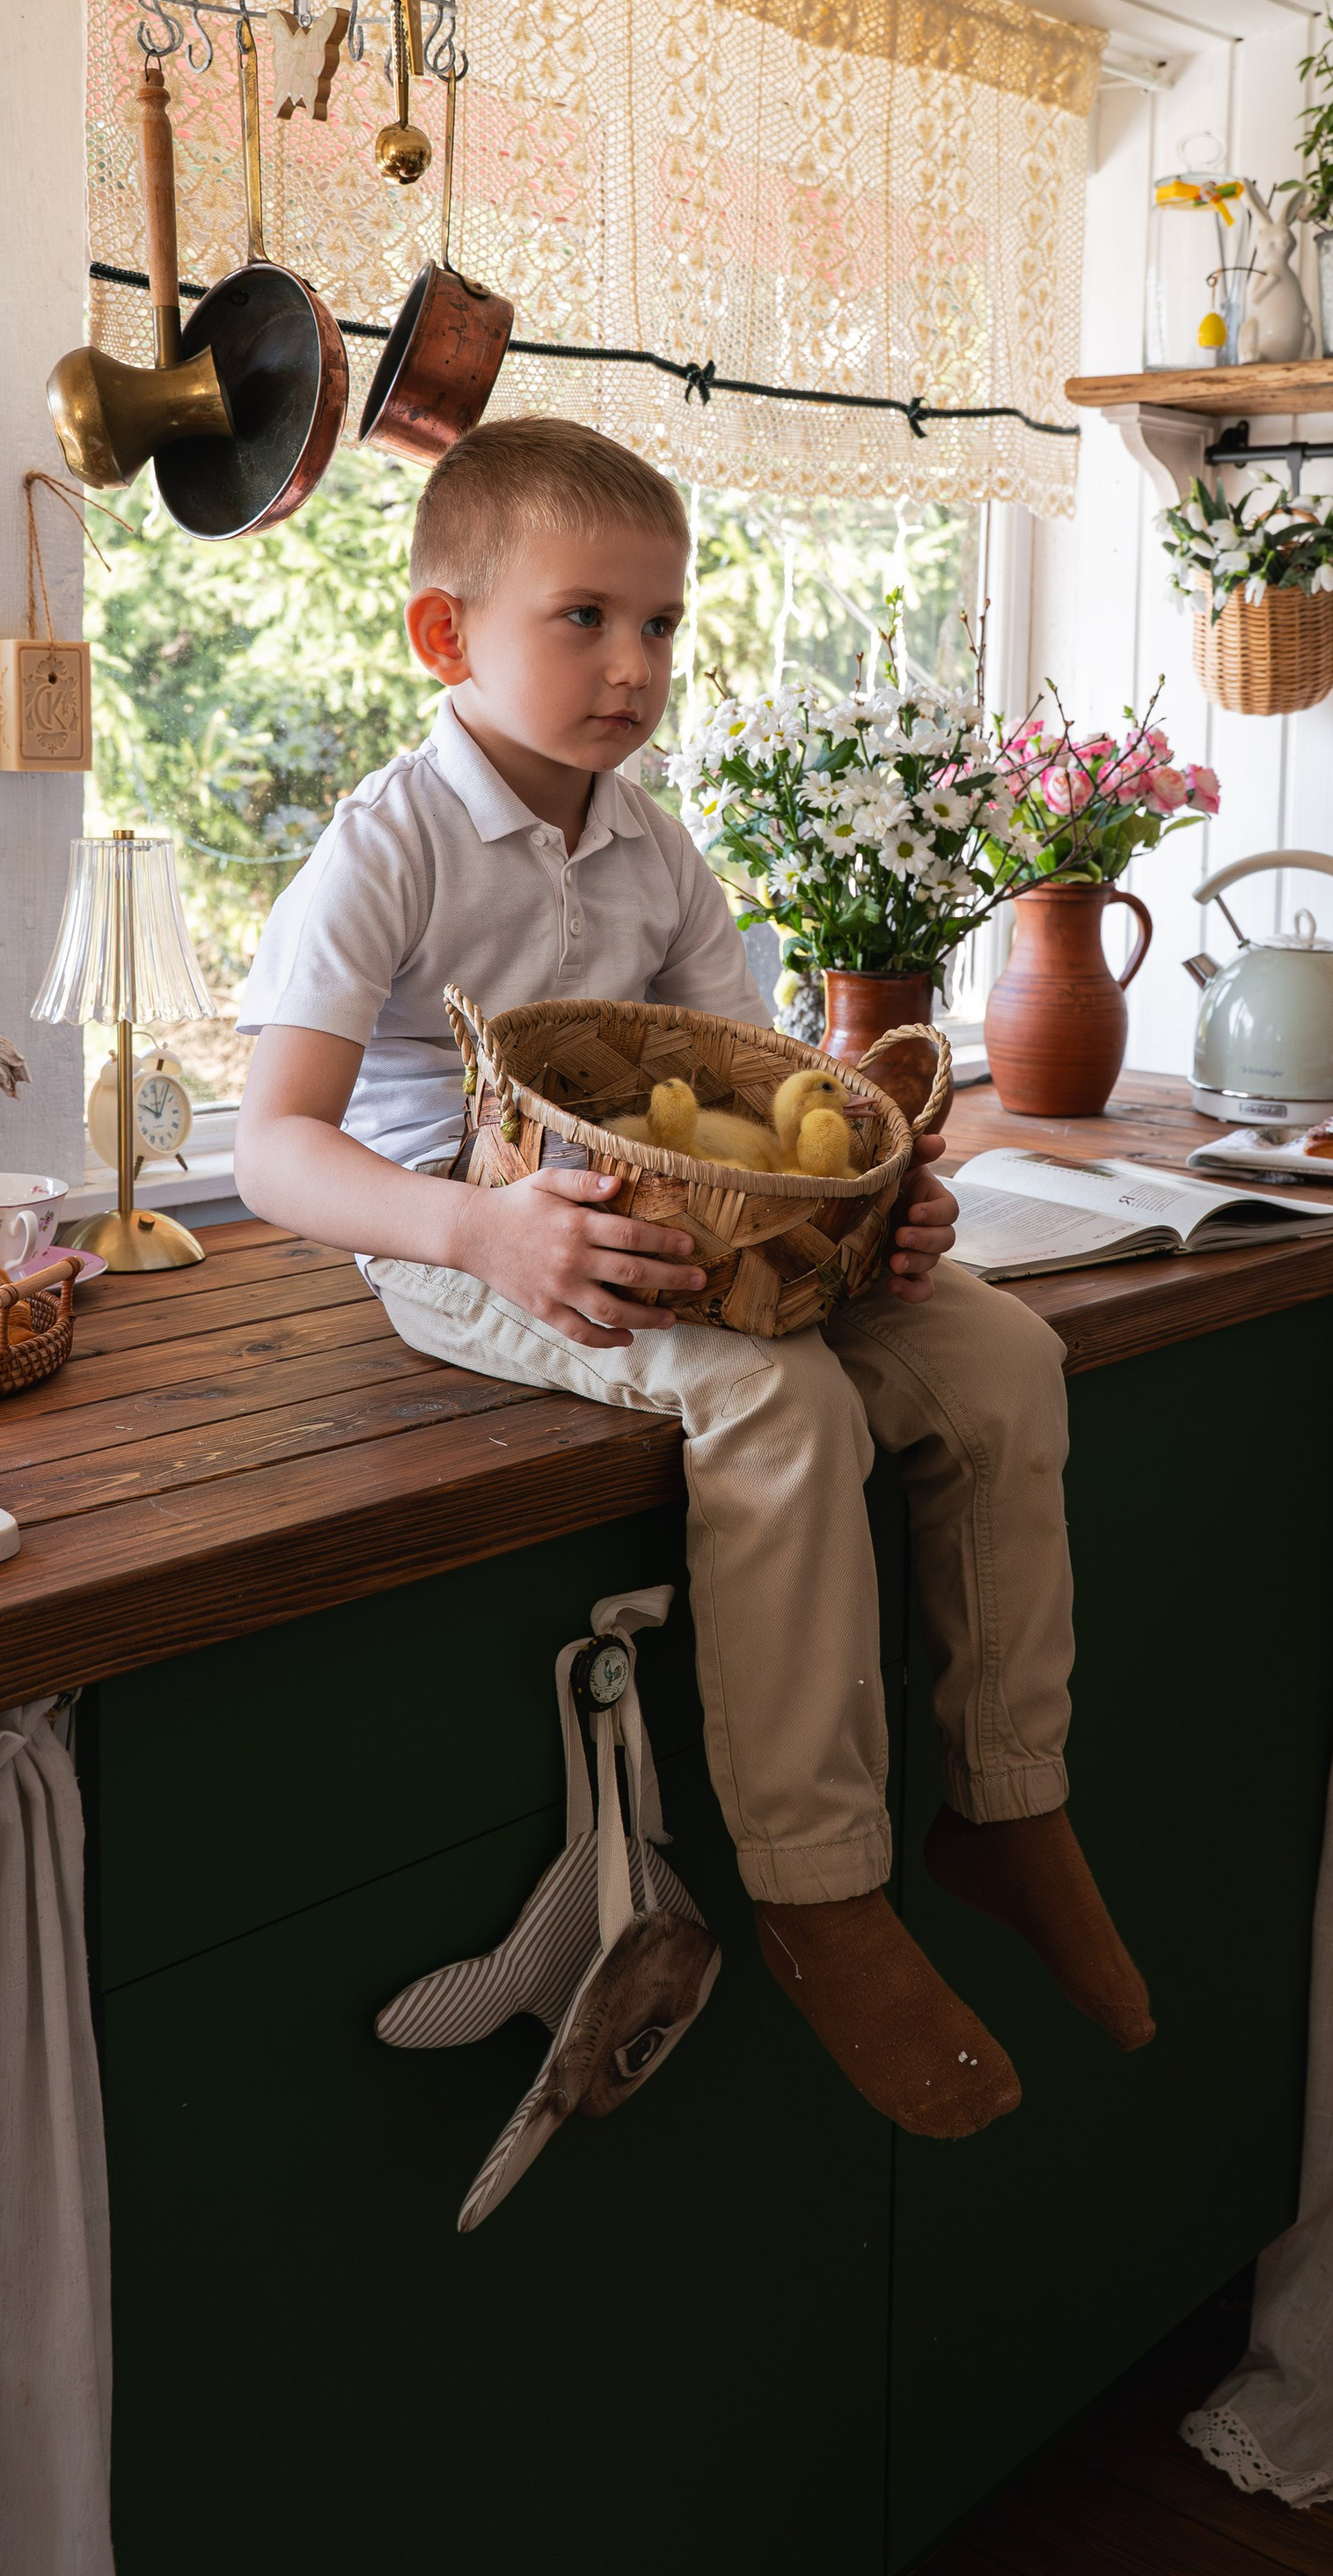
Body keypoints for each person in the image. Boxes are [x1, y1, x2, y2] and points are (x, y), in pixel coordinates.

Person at [234, 419, 1153, 2138]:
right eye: (583, 618)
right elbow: (274, 1151)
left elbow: (763, 1101)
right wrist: (483, 1233)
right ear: (446, 638)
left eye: (659, 623)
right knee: (773, 1400)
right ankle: (820, 1892)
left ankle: (1008, 1800)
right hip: (459, 1235)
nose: (633, 663)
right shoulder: (388, 846)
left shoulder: (652, 848)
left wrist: (874, 1210)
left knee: (1003, 1358)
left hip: (685, 1229)